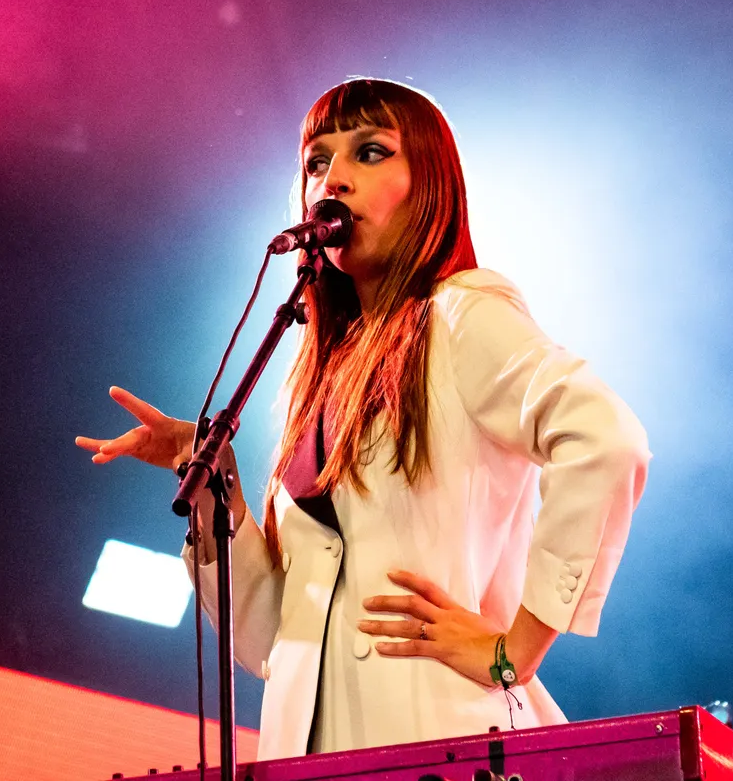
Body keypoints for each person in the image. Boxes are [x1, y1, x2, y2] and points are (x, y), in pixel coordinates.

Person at [75, 78, 650, 761]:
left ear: (428, 186)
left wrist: (515, 649)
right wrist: (213, 489)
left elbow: (605, 440)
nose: (335, 178)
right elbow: (272, 642)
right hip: (310, 759)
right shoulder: (323, 374)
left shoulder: (460, 313)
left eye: (370, 152)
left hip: (440, 740)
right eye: (317, 162)